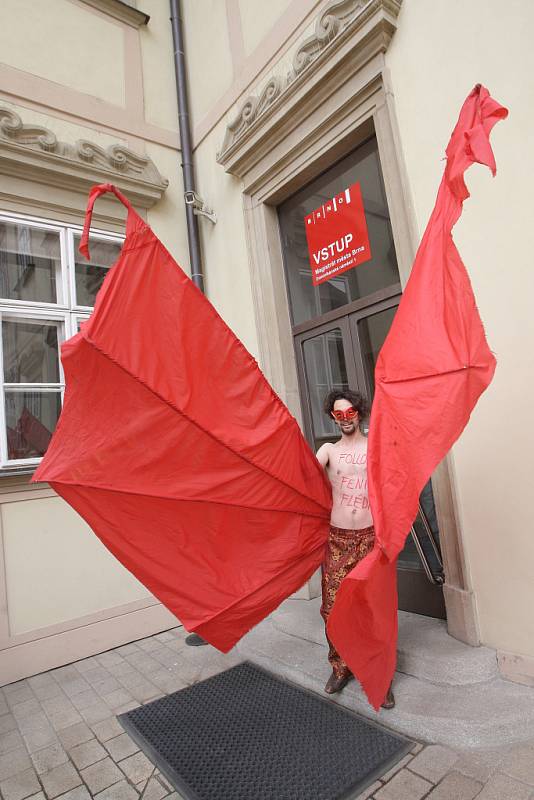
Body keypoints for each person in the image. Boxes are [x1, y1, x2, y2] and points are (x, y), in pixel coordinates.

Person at [316, 388, 395, 710]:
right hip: (337, 539)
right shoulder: (328, 451)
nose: (344, 419)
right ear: (332, 417)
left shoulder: (374, 448)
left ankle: (378, 676)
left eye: (350, 413)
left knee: (372, 611)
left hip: (370, 539)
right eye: (338, 414)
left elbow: (395, 484)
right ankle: (340, 667)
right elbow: (300, 474)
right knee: (333, 607)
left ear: (359, 413)